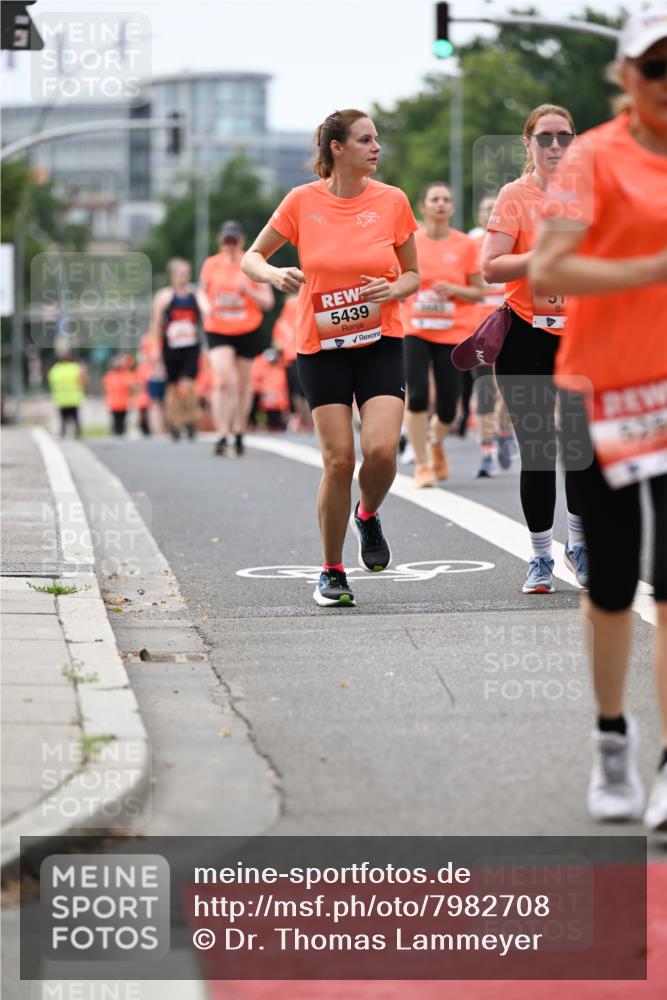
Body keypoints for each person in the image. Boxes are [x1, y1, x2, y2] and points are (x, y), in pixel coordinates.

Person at [531, 6, 667, 830]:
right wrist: (652, 268)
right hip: (598, 393)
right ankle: (611, 737)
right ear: (623, 76)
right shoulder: (591, 158)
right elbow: (549, 268)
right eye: (654, 67)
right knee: (611, 584)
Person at [242, 108, 419, 607]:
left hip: (380, 339)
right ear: (337, 148)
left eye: (377, 139)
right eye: (365, 140)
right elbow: (252, 257)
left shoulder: (392, 201)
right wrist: (274, 275)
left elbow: (413, 275)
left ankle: (368, 514)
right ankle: (332, 571)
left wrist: (393, 288)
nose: (376, 147)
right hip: (322, 347)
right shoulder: (302, 201)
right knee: (339, 460)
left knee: (381, 451)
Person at [482, 103, 589, 594]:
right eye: (544, 137)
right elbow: (491, 267)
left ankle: (579, 545)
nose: (555, 145)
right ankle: (541, 555)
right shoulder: (514, 195)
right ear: (528, 144)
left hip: (582, 334)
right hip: (526, 332)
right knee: (539, 448)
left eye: (563, 136)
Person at [401, 183, 483, 487]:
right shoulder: (411, 242)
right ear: (423, 207)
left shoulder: (465, 245)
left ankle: (435, 442)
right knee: (417, 395)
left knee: (449, 407)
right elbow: (397, 279)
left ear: (452, 207)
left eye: (446, 199)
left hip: (453, 332)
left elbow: (478, 292)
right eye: (434, 199)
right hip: (415, 329)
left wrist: (454, 289)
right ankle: (422, 464)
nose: (441, 203)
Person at [200, 220, 275, 456]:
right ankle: (222, 433)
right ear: (220, 242)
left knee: (243, 385)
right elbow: (202, 292)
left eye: (234, 240)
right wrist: (205, 307)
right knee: (223, 380)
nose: (230, 245)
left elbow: (268, 302)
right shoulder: (211, 264)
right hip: (218, 328)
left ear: (242, 241)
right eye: (226, 240)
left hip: (247, 329)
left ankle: (239, 431)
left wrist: (248, 290)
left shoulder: (251, 263)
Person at [468, 195, 515, 477]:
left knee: (506, 390)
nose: (489, 213)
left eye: (493, 208)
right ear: (479, 215)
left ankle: (503, 430)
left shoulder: (513, 240)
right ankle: (487, 452)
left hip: (509, 324)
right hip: (479, 328)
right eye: (485, 209)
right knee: (485, 390)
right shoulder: (469, 245)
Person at [150, 258, 207, 441]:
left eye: (186, 273)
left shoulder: (195, 295)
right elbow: (155, 324)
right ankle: (174, 422)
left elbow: (206, 316)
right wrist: (155, 350)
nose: (183, 277)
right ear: (172, 276)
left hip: (191, 346)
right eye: (180, 274)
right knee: (173, 386)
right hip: (171, 347)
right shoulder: (165, 297)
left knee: (190, 384)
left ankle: (190, 420)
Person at [47, 350, 86, 438]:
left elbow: (50, 382)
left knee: (63, 418)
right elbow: (83, 381)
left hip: (61, 399)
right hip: (73, 398)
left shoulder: (55, 369)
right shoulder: (76, 368)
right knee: (74, 418)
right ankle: (76, 433)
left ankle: (63, 433)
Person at [102, 355, 134, 436]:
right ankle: (116, 433)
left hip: (123, 402)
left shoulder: (126, 374)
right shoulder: (109, 375)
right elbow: (105, 388)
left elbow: (132, 386)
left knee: (122, 421)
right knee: (115, 420)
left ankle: (121, 433)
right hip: (114, 402)